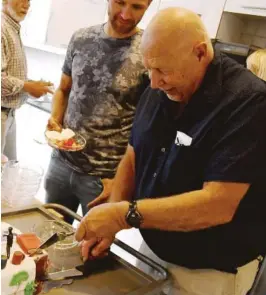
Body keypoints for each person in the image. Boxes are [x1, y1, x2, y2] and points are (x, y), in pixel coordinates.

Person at [75, 7, 266, 295]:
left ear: (200, 53)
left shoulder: (249, 103)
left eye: (162, 70)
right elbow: (134, 153)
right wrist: (111, 221)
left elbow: (217, 205)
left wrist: (123, 215)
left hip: (207, 272)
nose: (153, 82)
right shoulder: (159, 84)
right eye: (149, 68)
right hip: (152, 250)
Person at [44, 0, 150, 222]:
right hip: (61, 163)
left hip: (105, 178)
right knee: (48, 236)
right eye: (120, 2)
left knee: (93, 249)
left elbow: (149, 126)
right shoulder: (81, 39)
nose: (125, 14)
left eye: (136, 7)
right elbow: (63, 89)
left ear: (148, 6)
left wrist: (121, 180)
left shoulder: (149, 52)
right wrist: (55, 119)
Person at [1, 0, 53, 161]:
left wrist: (31, 85)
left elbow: (9, 73)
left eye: (29, 0)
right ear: (5, 1)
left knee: (9, 168)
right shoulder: (2, 29)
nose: (27, 4)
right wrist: (27, 86)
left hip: (8, 114)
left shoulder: (12, 29)